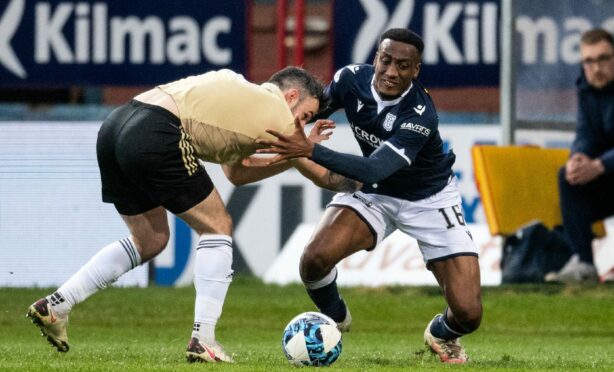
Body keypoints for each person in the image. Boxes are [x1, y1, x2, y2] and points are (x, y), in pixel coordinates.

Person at [26, 66, 360, 363]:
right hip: (157, 130)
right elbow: (323, 175)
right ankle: (204, 339)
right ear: (291, 96)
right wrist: (374, 176)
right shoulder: (279, 114)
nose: (303, 126)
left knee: (150, 240)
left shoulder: (245, 101)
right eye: (306, 116)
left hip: (116, 126)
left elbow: (237, 174)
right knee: (218, 227)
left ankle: (56, 305)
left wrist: (294, 155)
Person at [257, 28, 481, 364]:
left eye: (403, 66)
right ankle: (335, 319)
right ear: (375, 57)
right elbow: (312, 109)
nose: (392, 71)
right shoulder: (350, 79)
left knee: (468, 313)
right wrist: (268, 124)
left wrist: (308, 150)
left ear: (415, 70)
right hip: (375, 195)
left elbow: (375, 168)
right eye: (386, 60)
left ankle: (440, 333)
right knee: (313, 261)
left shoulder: (420, 114)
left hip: (429, 199)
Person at [547, 29, 614, 283]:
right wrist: (579, 157)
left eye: (604, 58)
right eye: (589, 61)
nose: (596, 67)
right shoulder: (587, 89)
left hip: (608, 168)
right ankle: (583, 264)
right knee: (569, 176)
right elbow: (585, 133)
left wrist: (600, 165)